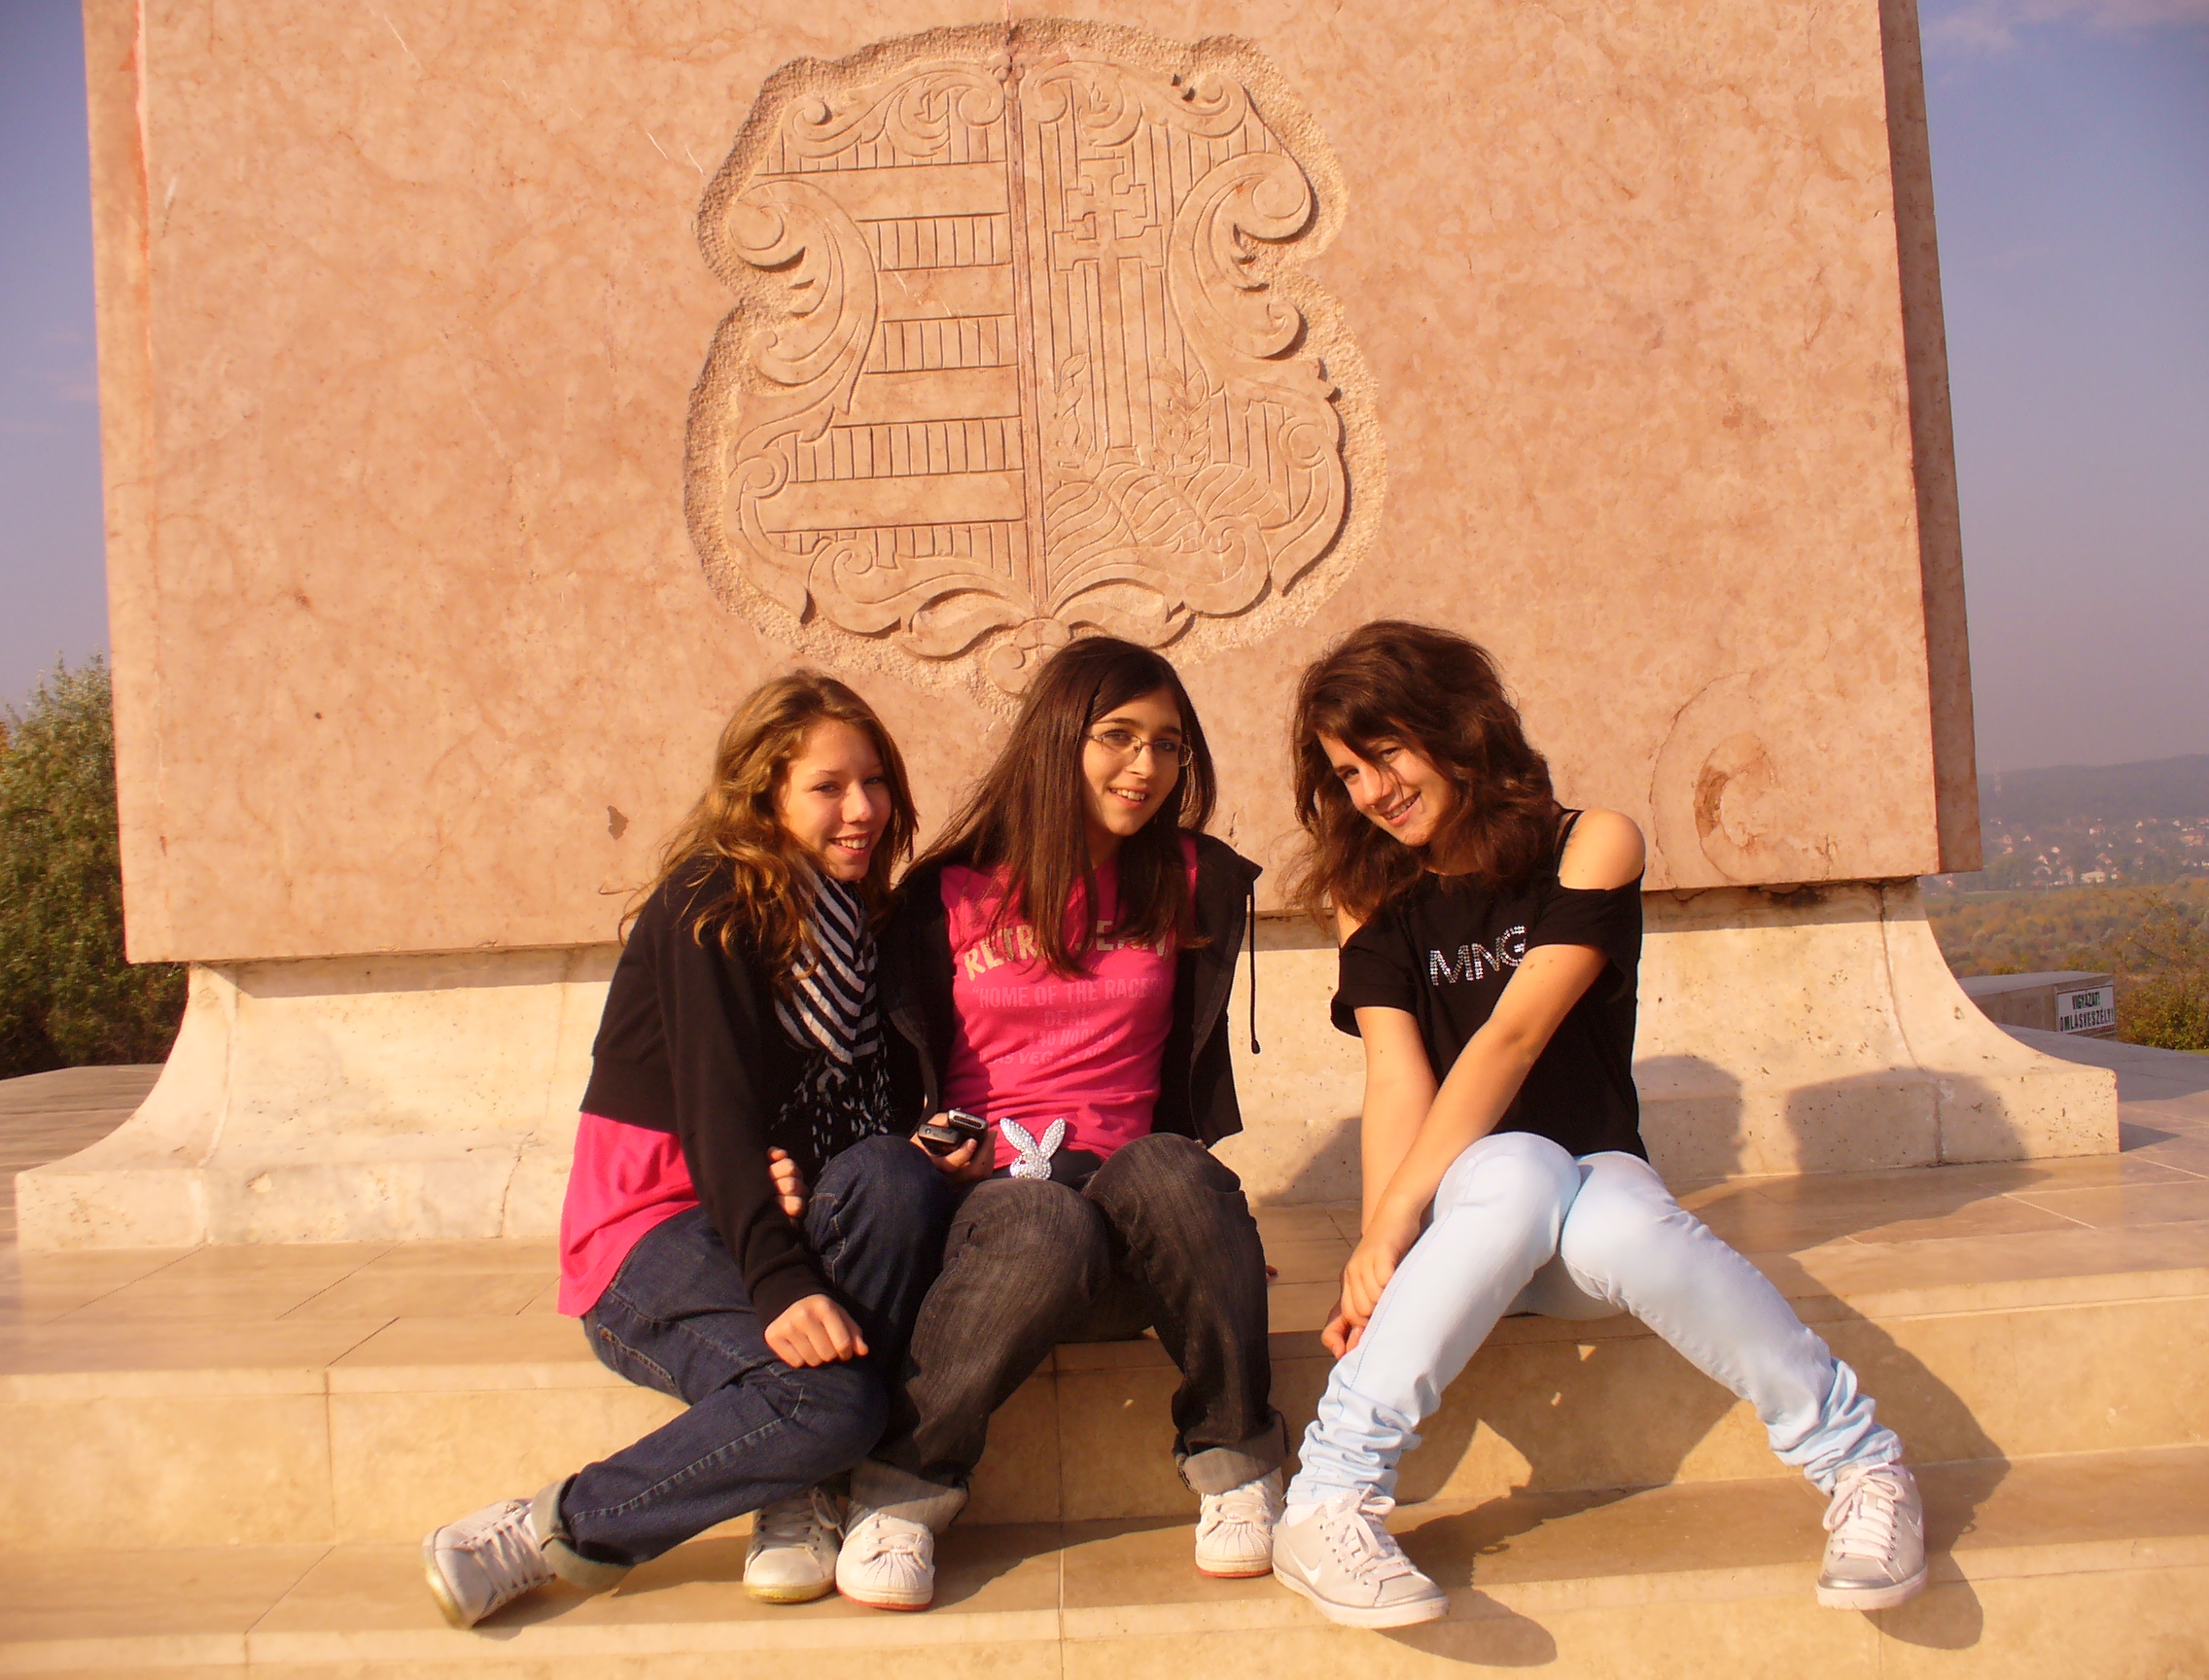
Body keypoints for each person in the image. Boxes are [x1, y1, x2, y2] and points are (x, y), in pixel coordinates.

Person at [1268, 621, 1927, 1629]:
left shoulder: (1591, 844)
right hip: (1468, 1222)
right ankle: (1329, 1498)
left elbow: (1514, 1036)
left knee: (1608, 1212)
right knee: (1517, 1166)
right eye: (1348, 773)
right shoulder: (1373, 895)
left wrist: (1390, 1224)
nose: (1371, 792)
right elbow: (1395, 1075)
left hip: (1587, 1216)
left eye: (1385, 753)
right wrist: (1381, 1252)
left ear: (1457, 726)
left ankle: (1864, 1467)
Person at [420, 672, 975, 1627]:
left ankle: (799, 1491)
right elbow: (717, 1117)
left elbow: (844, 1126)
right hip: (649, 1237)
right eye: (829, 787)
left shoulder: (857, 925)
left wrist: (921, 1150)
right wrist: (781, 1281)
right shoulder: (709, 905)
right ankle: (550, 1529)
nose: (863, 809)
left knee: (893, 1176)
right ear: (764, 796)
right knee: (830, 1404)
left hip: (756, 1213)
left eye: (875, 781)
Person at [821, 636, 1286, 1611]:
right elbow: (892, 1074)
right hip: (1000, 1234)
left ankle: (1238, 1467)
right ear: (1058, 736)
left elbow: (1186, 1094)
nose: (1146, 766)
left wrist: (1216, 1237)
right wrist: (935, 1145)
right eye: (1118, 736)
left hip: (1132, 1220)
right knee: (1040, 1220)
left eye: (1168, 744)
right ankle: (903, 1490)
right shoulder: (946, 895)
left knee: (1174, 1171)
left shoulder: (1189, 880)